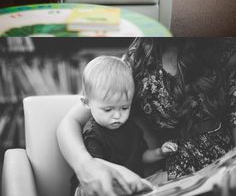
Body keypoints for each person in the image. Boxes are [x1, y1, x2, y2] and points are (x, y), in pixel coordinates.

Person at [57, 39, 236, 196]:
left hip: (225, 168)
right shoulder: (137, 60)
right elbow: (69, 123)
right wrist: (85, 166)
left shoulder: (226, 53)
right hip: (172, 177)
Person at [71, 55, 178, 195]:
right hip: (100, 186)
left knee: (167, 177)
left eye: (124, 108)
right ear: (87, 103)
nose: (117, 116)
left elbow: (141, 157)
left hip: (132, 185)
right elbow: (95, 165)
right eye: (108, 109)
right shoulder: (93, 134)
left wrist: (160, 152)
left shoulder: (130, 127)